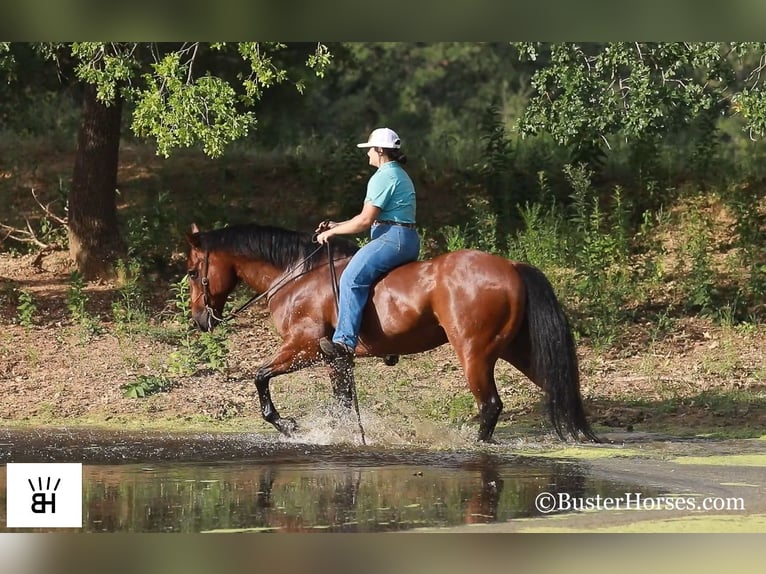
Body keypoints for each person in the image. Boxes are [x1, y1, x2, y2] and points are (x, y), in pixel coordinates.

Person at [314, 127, 420, 360]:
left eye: (370, 149)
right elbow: (367, 217)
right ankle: (386, 342)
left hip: (391, 238)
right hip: (406, 238)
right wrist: (336, 225)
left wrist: (330, 235)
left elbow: (364, 220)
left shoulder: (383, 177)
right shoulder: (398, 174)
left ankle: (343, 342)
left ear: (381, 150)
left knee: (351, 279)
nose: (368, 154)